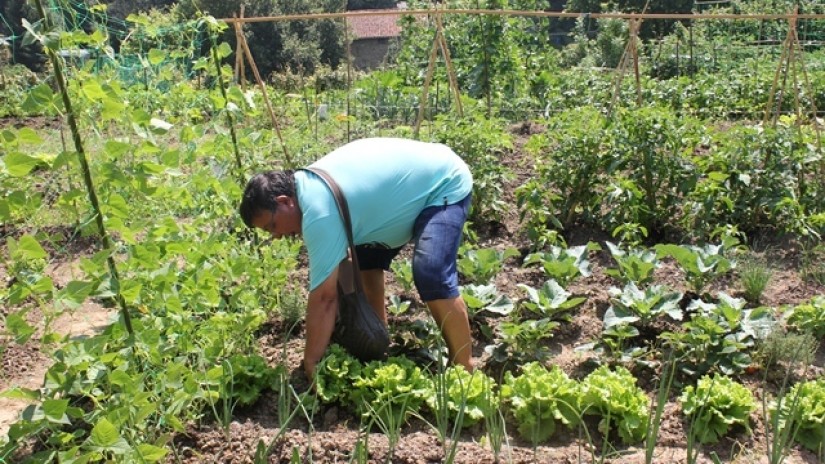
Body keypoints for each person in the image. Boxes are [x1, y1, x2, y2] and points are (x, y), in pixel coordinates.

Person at [239, 137, 475, 378]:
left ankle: (463, 369)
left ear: (284, 201)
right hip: (391, 201)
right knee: (365, 266)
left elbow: (324, 298)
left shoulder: (318, 211)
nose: (277, 236)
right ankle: (379, 344)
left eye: (272, 226)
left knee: (431, 273)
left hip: (442, 183)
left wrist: (310, 362)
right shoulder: (307, 187)